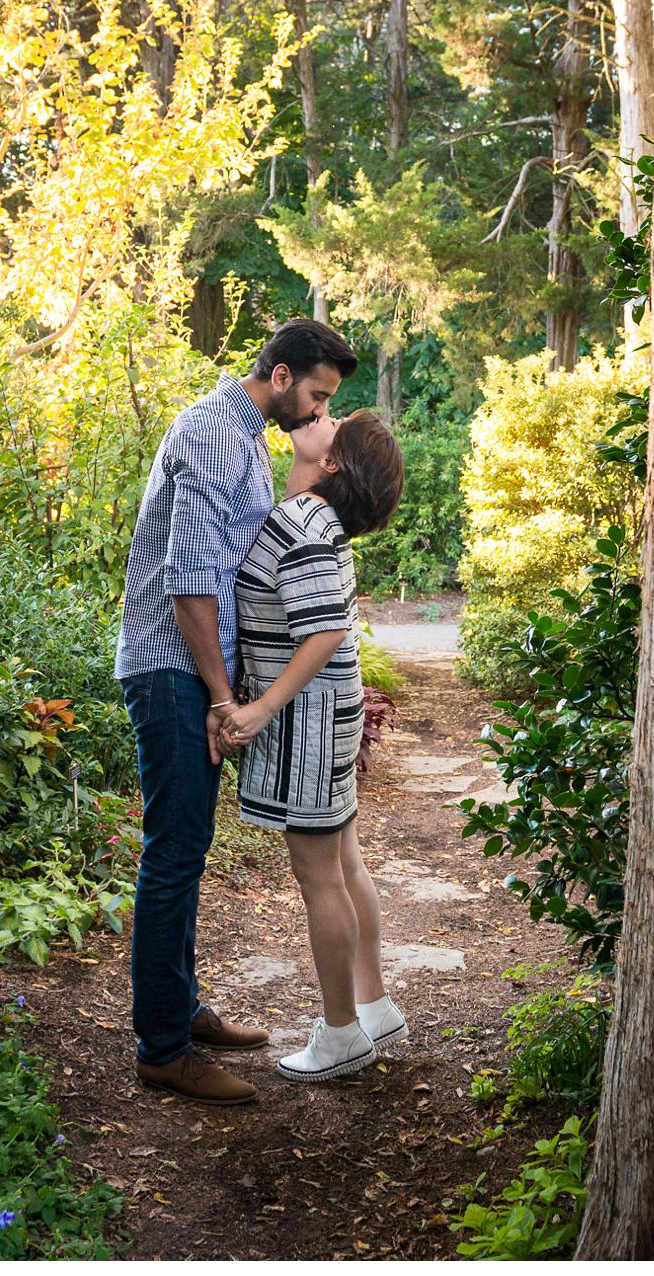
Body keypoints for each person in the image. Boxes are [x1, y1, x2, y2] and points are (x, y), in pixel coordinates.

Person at [117, 318, 358, 1105]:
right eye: (318, 394)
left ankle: (180, 1012)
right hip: (173, 670)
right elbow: (190, 587)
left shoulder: (241, 435)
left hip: (196, 671)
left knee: (186, 847)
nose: (319, 411)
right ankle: (161, 1046)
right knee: (175, 850)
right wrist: (225, 697)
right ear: (282, 376)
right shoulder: (216, 436)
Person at [221, 409, 407, 1081]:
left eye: (334, 421)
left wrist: (259, 708)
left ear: (334, 464)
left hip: (305, 717)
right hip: (329, 709)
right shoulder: (315, 520)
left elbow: (323, 630)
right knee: (346, 860)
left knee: (319, 875)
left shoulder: (300, 522)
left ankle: (338, 1034)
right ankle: (372, 1003)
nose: (318, 414)